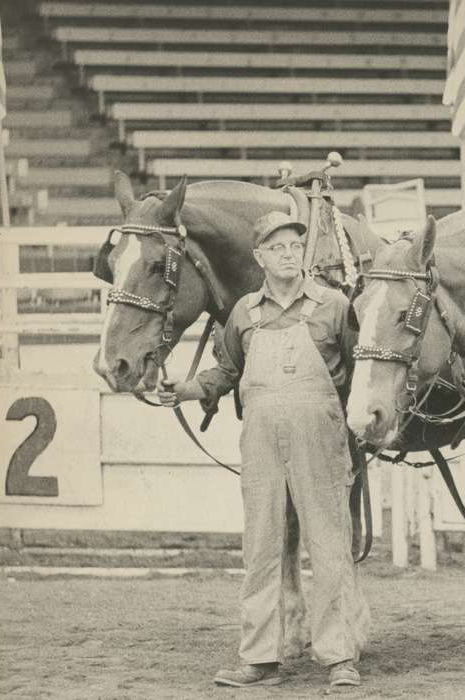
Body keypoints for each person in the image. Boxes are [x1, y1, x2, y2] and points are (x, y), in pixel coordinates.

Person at [159, 211, 368, 688]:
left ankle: (340, 658)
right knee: (261, 548)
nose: (289, 254)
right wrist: (187, 389)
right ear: (259, 258)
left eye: (296, 246)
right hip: (260, 440)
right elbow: (227, 372)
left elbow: (360, 375)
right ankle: (260, 659)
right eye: (278, 248)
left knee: (330, 545)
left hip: (321, 436)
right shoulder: (244, 313)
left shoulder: (334, 306)